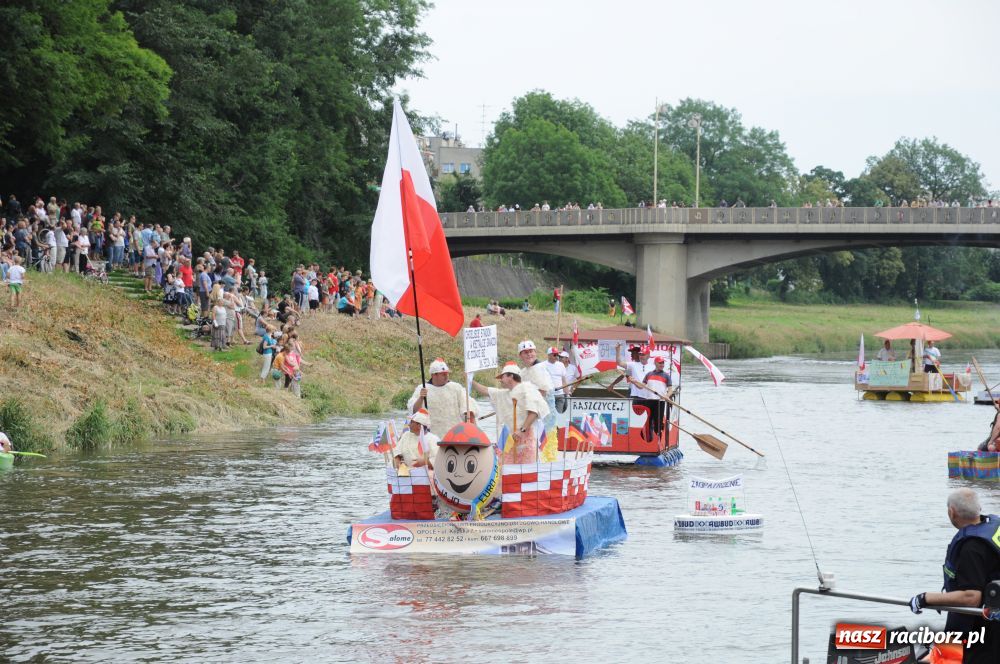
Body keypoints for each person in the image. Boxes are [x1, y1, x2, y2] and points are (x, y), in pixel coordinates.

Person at [909, 489, 1000, 662]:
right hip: (985, 617)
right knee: (939, 655)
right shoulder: (994, 527)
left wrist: (925, 598)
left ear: (952, 512)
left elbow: (971, 596)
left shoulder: (971, 548)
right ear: (979, 508)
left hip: (979, 627)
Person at [471, 362, 548, 463]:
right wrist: (470, 380)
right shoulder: (503, 393)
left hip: (527, 439)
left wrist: (522, 430)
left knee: (527, 472)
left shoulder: (527, 389)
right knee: (508, 471)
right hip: (510, 440)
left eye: (502, 377)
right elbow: (485, 390)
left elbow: (534, 412)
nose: (500, 381)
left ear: (510, 376)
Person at [406, 358, 478, 439]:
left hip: (455, 436)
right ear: (434, 375)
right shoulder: (422, 389)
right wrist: (421, 398)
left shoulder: (456, 388)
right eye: (443, 374)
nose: (446, 376)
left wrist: (473, 431)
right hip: (431, 437)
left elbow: (468, 409)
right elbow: (414, 412)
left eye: (447, 373)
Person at [517, 340, 555, 428]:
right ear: (520, 355)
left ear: (535, 352)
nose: (529, 354)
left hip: (543, 415)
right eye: (525, 352)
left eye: (531, 351)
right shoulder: (523, 372)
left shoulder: (540, 368)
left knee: (544, 439)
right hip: (531, 414)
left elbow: (542, 393)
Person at [643, 356, 674, 438]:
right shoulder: (649, 374)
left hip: (660, 401)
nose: (662, 364)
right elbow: (641, 386)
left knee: (658, 422)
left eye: (663, 363)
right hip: (649, 401)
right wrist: (634, 381)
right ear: (655, 363)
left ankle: (658, 440)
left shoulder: (666, 376)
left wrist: (667, 396)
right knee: (649, 421)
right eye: (660, 363)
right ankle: (649, 440)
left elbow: (670, 390)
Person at [543, 347, 568, 413]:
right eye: (554, 355)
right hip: (549, 395)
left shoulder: (561, 365)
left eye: (557, 355)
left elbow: (563, 380)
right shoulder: (542, 365)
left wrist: (567, 393)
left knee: (559, 416)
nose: (556, 357)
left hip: (560, 395)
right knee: (549, 416)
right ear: (549, 355)